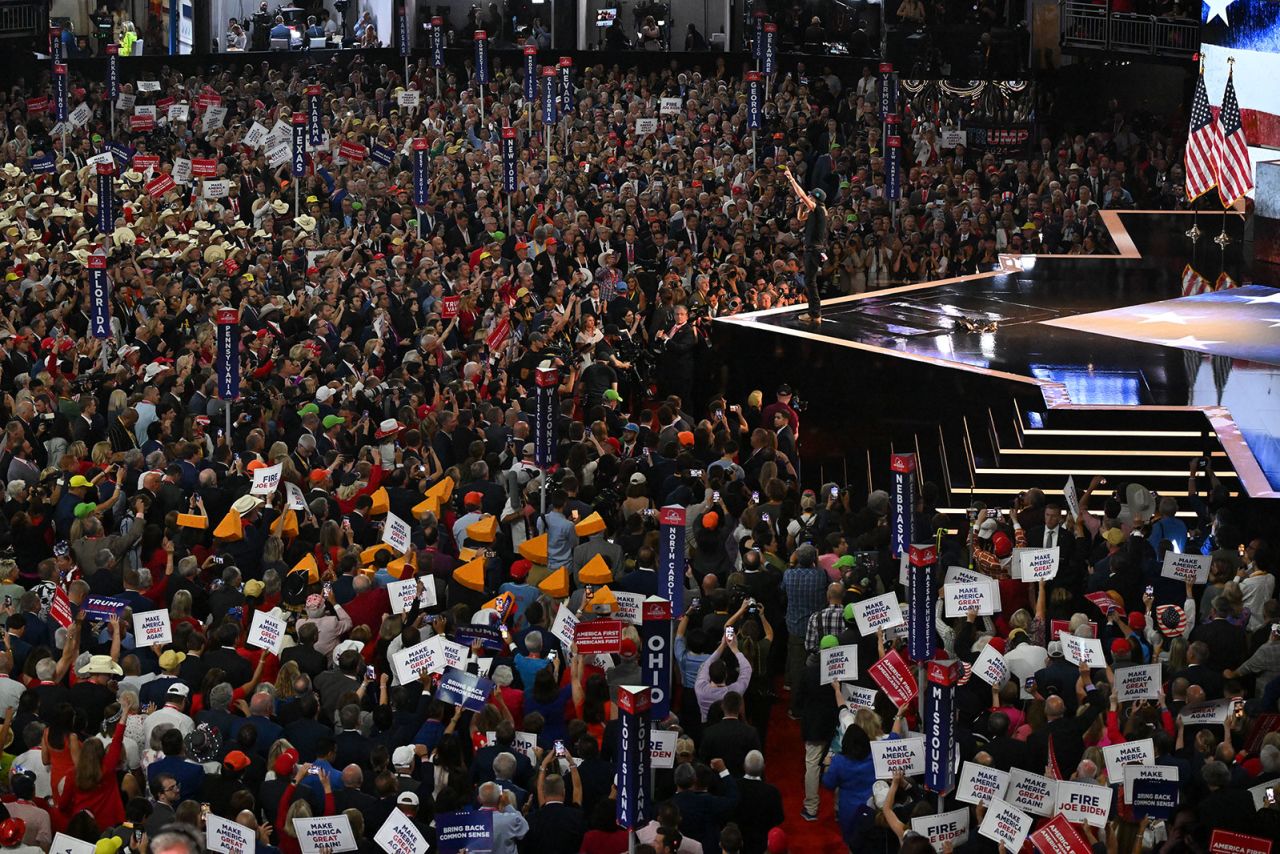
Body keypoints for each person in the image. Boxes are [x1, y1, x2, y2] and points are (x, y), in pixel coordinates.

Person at [782, 166, 827, 323]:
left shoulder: (819, 209)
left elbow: (801, 193)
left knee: (810, 282)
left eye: (809, 197)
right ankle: (815, 313)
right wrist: (801, 205)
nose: (807, 197)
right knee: (810, 281)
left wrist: (791, 179)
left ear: (814, 198)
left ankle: (815, 313)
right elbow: (800, 218)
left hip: (813, 250)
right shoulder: (816, 211)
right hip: (812, 250)